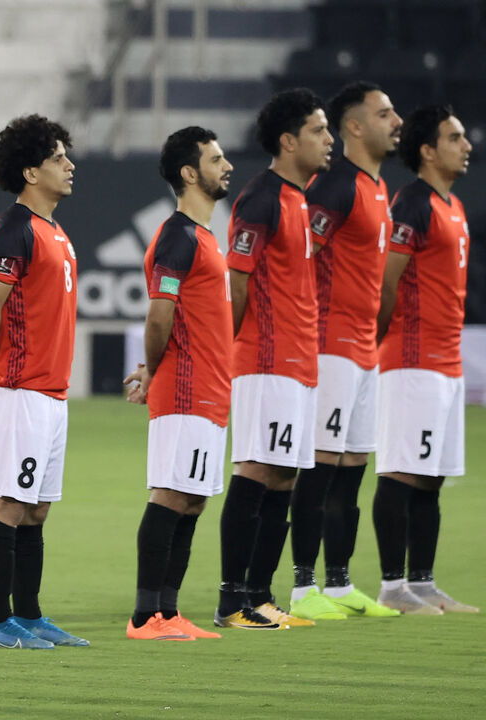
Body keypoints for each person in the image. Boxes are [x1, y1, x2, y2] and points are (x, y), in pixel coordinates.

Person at [215, 88, 332, 630]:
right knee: (259, 468)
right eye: (318, 130)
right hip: (265, 359)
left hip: (298, 362)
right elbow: (236, 284)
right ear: (289, 140)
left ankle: (259, 596)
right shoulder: (260, 198)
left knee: (283, 476)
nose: (328, 140)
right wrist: (226, 352)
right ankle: (231, 599)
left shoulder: (297, 198)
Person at [0, 115, 89, 650]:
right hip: (19, 389)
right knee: (8, 504)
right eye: (58, 157)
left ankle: (31, 616)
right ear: (30, 171)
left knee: (36, 508)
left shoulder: (55, 230)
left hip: (51, 391)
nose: (69, 165)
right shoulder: (15, 227)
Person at [287, 82, 403, 620]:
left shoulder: (378, 188)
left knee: (354, 465)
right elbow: (299, 257)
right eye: (383, 114)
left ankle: (338, 583)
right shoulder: (334, 187)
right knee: (318, 465)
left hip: (363, 349)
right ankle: (301, 585)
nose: (395, 120)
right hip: (328, 344)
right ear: (354, 126)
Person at [123, 127, 232, 641]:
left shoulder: (205, 237)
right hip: (185, 388)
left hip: (210, 390)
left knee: (192, 499)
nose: (226, 165)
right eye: (215, 159)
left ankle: (169, 611)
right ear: (190, 173)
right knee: (170, 495)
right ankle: (145, 616)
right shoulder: (178, 236)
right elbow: (159, 316)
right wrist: (151, 370)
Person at [372, 105, 478, 615]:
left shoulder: (451, 205)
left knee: (431, 476)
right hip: (412, 360)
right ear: (428, 150)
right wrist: (381, 343)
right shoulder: (412, 203)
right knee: (399, 472)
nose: (467, 145)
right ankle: (393, 587)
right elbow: (387, 281)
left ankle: (423, 582)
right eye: (455, 137)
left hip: (446, 363)